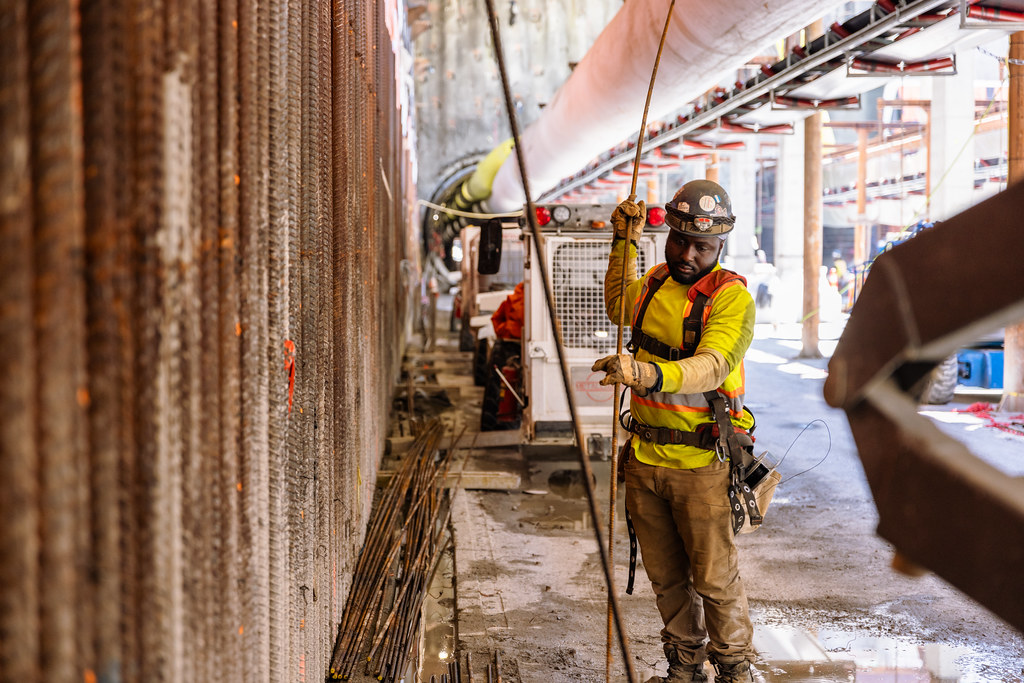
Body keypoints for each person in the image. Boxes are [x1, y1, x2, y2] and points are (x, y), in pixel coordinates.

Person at [592, 180, 758, 683]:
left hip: (702, 465)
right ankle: (683, 667)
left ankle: (733, 670)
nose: (687, 254)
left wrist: (644, 374)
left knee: (713, 578)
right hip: (645, 458)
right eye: (679, 240)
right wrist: (623, 243)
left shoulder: (731, 300)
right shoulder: (657, 282)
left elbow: (710, 367)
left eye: (701, 247)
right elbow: (621, 307)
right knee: (666, 578)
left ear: (721, 246)